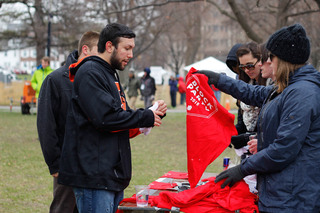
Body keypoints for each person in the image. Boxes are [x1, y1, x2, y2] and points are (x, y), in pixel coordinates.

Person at [197, 23, 320, 212]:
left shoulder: (302, 93)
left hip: (294, 198)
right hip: (282, 192)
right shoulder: (288, 87)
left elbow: (283, 149)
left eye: (271, 57)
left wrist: (243, 169)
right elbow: (255, 93)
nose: (266, 62)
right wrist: (219, 80)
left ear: (284, 59)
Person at [58, 23, 167, 213]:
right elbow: (106, 118)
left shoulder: (108, 72)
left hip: (109, 175)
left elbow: (117, 115)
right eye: (127, 48)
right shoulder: (91, 72)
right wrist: (144, 116)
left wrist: (147, 115)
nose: (131, 55)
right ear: (109, 46)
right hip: (94, 176)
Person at [37, 31, 100, 213]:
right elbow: (46, 125)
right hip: (66, 165)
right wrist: (55, 164)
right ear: (85, 50)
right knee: (63, 209)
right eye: (100, 50)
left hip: (94, 165)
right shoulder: (55, 80)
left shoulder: (99, 79)